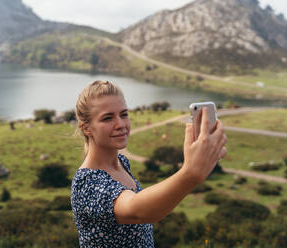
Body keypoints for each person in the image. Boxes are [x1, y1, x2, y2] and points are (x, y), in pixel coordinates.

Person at [71, 80, 227, 247]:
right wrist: (190, 173)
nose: (121, 124)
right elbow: (138, 210)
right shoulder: (86, 183)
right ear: (86, 128)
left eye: (124, 114)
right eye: (108, 118)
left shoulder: (121, 163)